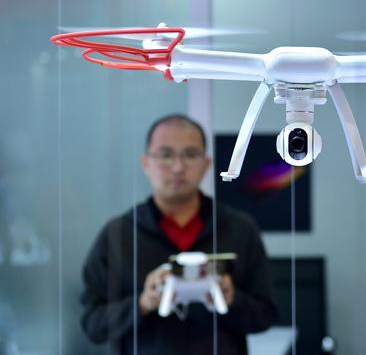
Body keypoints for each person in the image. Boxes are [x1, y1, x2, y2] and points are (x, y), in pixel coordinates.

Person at [80, 114, 277, 355]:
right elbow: (91, 324)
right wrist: (143, 303)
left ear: (206, 164)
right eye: (165, 154)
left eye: (190, 154)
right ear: (146, 163)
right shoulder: (118, 235)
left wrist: (231, 298)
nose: (178, 167)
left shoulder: (240, 229)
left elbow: (266, 315)